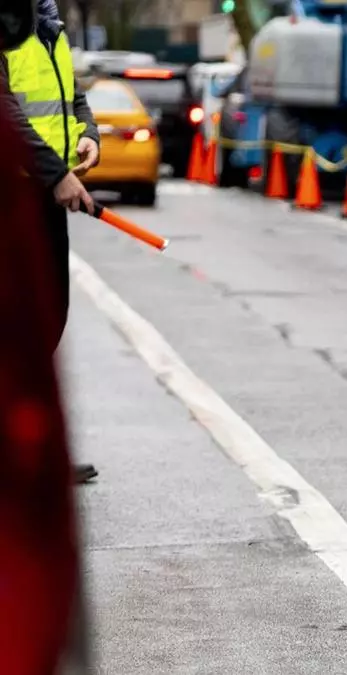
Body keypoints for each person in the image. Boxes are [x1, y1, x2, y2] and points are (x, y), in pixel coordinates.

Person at [1, 0, 101, 483]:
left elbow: (72, 97)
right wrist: (55, 173)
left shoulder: (49, 28)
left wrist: (89, 133)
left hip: (42, 197)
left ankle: (26, 449)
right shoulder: (9, 26)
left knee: (46, 316)